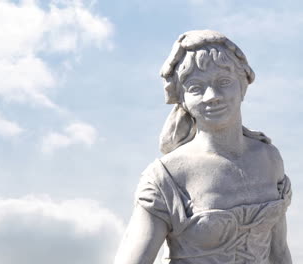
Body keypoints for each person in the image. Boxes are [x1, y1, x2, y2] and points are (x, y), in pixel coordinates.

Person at [114, 30, 292, 264]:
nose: (212, 96)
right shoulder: (167, 177)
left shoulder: (269, 158)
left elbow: (278, 252)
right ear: (182, 98)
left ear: (243, 86)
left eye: (224, 82)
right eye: (196, 88)